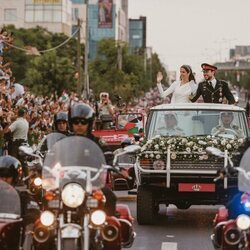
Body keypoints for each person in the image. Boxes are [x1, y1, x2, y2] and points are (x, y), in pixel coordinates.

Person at [69, 103, 117, 216]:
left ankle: (108, 227)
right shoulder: (65, 141)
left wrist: (113, 165)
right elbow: (53, 156)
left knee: (109, 196)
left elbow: (108, 155)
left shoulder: (97, 141)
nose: (79, 125)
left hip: (92, 181)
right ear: (71, 124)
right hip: (68, 181)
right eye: (76, 122)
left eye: (83, 122)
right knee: (50, 196)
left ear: (89, 124)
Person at [0, 155, 40, 250]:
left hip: (14, 238)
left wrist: (29, 218)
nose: (4, 179)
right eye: (1, 176)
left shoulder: (23, 196)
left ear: (15, 177)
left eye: (8, 176)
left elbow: (34, 211)